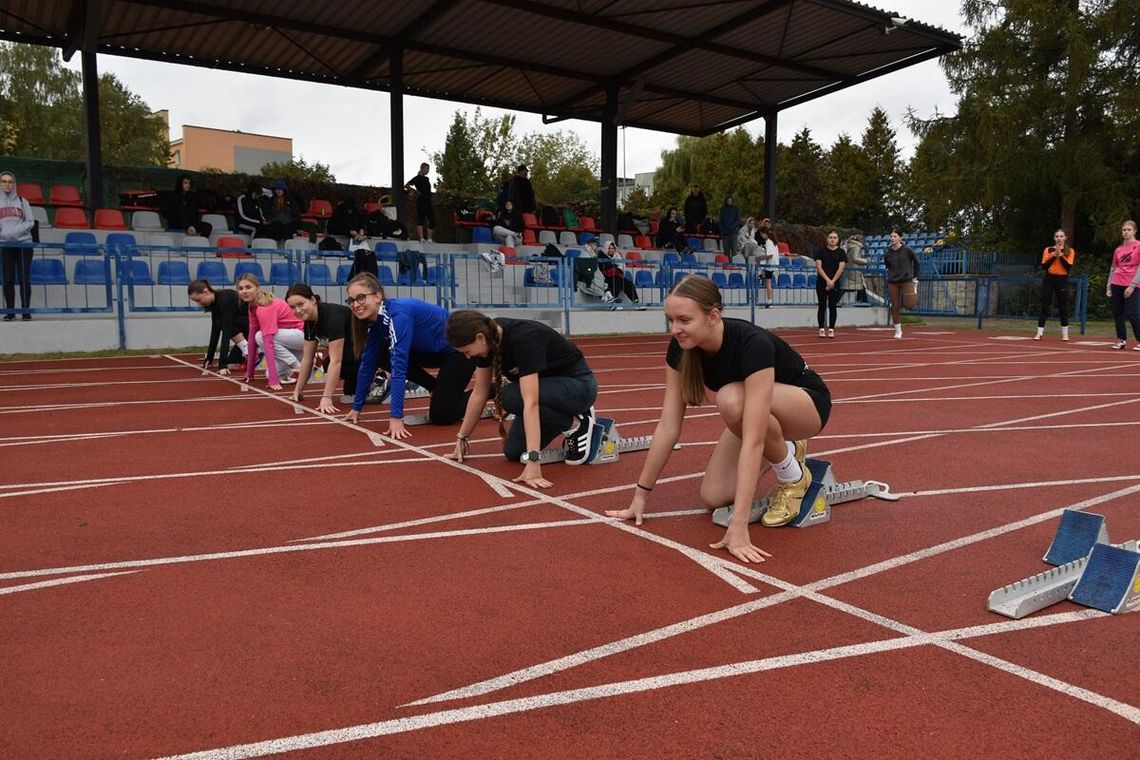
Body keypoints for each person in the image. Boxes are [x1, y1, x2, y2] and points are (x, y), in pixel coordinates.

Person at [605, 275, 831, 563]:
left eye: (684, 320)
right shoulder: (680, 349)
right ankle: (787, 449)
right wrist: (640, 497)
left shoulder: (752, 344)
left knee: (730, 398)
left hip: (806, 404)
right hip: (754, 411)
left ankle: (794, 476)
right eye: (670, 320)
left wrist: (738, 527)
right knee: (713, 497)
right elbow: (668, 425)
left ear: (712, 316)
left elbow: (753, 438)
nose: (675, 329)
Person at [444, 310, 598, 487]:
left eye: (467, 351)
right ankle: (567, 415)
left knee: (510, 396)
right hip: (547, 392)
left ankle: (576, 425)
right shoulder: (488, 343)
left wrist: (534, 462)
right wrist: (462, 437)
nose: (468, 356)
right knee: (514, 451)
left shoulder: (524, 339)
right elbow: (479, 393)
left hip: (579, 387)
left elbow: (530, 402)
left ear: (480, 338)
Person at [343, 273, 476, 437]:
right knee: (381, 354)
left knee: (441, 417)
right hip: (432, 352)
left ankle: (487, 392)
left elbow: (399, 365)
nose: (355, 304)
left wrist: (395, 416)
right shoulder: (375, 322)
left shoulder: (398, 316)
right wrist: (357, 407)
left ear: (378, 296)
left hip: (459, 352)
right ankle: (436, 389)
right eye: (351, 300)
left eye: (361, 298)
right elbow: (367, 364)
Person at [284, 284, 360, 413]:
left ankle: (378, 378)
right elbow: (307, 359)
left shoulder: (333, 317)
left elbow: (337, 361)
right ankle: (361, 384)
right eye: (292, 307)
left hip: (370, 353)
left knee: (334, 361)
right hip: (352, 355)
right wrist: (298, 390)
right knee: (327, 363)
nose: (297, 310)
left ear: (313, 300)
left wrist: (326, 397)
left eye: (301, 304)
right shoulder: (309, 322)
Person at [237, 273, 305, 390]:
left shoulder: (264, 308)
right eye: (240, 288)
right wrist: (250, 372)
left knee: (260, 336)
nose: (244, 291)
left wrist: (272, 381)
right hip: (287, 342)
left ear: (257, 288)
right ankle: (311, 360)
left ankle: (298, 366)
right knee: (270, 374)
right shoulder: (252, 307)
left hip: (301, 336)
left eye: (248, 287)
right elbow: (251, 340)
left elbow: (268, 343)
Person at [187, 279, 249, 374]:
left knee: (221, 322)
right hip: (243, 327)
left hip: (253, 326)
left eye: (199, 300)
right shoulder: (215, 303)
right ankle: (248, 350)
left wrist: (222, 364)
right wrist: (209, 358)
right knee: (232, 361)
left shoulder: (225, 299)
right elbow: (215, 331)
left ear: (206, 291)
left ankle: (249, 350)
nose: (199, 303)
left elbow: (226, 331)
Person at [0, 171, 36, 321]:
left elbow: (30, 221)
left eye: (10, 181)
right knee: (8, 279)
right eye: (4, 181)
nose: (7, 184)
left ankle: (25, 310)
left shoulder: (22, 201)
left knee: (24, 278)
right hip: (5, 245)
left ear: (14, 184)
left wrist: (14, 232)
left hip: (23, 244)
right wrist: (5, 233)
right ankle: (11, 311)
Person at [1036, 229, 1075, 341]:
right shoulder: (1048, 250)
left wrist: (1061, 256)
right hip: (1049, 278)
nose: (1059, 238)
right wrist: (1053, 256)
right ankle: (1039, 332)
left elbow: (1068, 268)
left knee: (1063, 307)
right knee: (1045, 305)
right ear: (1054, 238)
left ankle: (1065, 334)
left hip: (1062, 279)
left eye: (1061, 236)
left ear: (1065, 238)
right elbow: (1044, 266)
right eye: (1057, 236)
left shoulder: (1070, 251)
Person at [1107, 219, 1140, 350]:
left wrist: (1132, 285)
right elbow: (1113, 268)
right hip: (1117, 282)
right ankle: (1121, 339)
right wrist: (1109, 286)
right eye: (1124, 230)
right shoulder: (1118, 249)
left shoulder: (1138, 245)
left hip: (1133, 283)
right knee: (1117, 312)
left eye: (1129, 230)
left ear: (1134, 231)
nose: (1126, 232)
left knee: (1132, 312)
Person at [883, 228, 920, 339]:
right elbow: (888, 264)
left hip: (907, 279)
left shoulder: (907, 250)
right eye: (891, 236)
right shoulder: (888, 252)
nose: (892, 238)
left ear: (900, 237)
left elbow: (917, 262)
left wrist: (915, 276)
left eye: (895, 236)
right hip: (893, 281)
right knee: (895, 306)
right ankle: (898, 331)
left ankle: (914, 289)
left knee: (909, 305)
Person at [813, 230, 848, 338]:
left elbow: (841, 268)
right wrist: (828, 280)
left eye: (835, 237)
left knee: (833, 306)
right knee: (822, 306)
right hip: (822, 283)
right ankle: (821, 329)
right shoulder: (820, 252)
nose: (832, 239)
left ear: (838, 240)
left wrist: (832, 281)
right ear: (827, 239)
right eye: (830, 237)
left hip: (835, 283)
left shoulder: (841, 253)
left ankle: (831, 328)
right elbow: (819, 267)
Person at [599, 240, 644, 308]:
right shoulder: (602, 255)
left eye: (612, 248)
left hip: (617, 276)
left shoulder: (617, 255)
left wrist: (616, 268)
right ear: (606, 248)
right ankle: (614, 303)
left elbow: (622, 267)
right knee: (616, 281)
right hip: (605, 278)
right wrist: (614, 267)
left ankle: (636, 302)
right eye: (609, 248)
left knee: (629, 284)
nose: (611, 250)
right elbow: (602, 268)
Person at [404, 163, 435, 243]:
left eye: (428, 169)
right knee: (421, 218)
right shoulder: (417, 178)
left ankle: (429, 239)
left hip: (428, 200)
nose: (428, 171)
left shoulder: (427, 179)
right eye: (426, 169)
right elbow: (406, 185)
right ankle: (421, 239)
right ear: (422, 168)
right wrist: (415, 191)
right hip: (421, 200)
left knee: (432, 219)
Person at [754, 227, 780, 308]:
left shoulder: (768, 242)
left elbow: (770, 254)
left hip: (770, 265)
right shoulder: (774, 242)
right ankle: (769, 301)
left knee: (768, 283)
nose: (761, 236)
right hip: (773, 264)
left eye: (762, 234)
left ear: (765, 234)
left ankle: (769, 302)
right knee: (768, 282)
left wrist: (760, 258)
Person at [843, 234, 868, 303]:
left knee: (858, 285)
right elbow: (855, 258)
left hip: (850, 267)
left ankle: (862, 300)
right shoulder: (857, 247)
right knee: (858, 285)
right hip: (854, 268)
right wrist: (865, 261)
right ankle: (864, 302)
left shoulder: (851, 245)